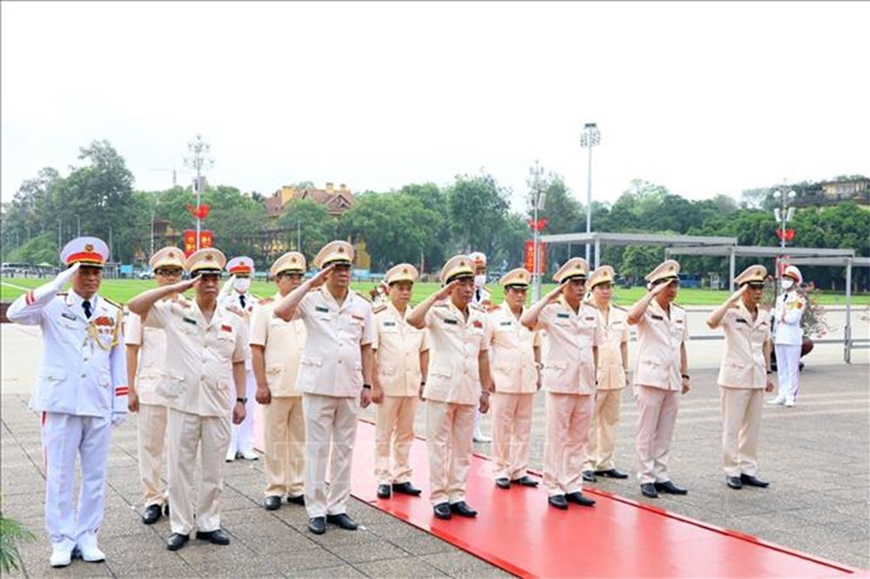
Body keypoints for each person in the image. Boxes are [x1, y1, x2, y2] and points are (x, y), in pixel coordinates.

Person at [7, 237, 127, 567]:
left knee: (94, 475)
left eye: (96, 272)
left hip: (98, 401)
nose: (91, 278)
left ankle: (88, 534)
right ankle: (61, 538)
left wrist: (120, 401)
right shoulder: (52, 304)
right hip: (60, 402)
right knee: (59, 475)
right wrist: (54, 284)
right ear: (71, 273)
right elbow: (17, 312)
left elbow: (118, 359)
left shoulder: (112, 312)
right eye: (83, 271)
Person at [127, 248, 248, 551]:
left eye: (214, 278)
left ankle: (209, 523)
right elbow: (135, 305)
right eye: (202, 277)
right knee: (179, 469)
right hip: (183, 401)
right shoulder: (174, 312)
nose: (209, 283)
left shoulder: (233, 319)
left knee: (214, 469)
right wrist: (174, 288)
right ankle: (180, 525)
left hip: (218, 402)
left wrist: (241, 399)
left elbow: (238, 361)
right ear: (192, 281)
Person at [272, 240, 374, 535]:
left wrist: (368, 383)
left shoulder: (362, 305)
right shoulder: (310, 298)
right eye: (336, 268)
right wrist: (310, 284)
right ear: (325, 272)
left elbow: (367, 347)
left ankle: (338, 506)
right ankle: (316, 509)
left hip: (350, 385)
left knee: (344, 449)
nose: (343, 272)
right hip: (317, 384)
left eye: (346, 267)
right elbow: (281, 311)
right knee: (317, 449)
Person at [407, 255, 493, 520]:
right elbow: (413, 319)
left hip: (468, 389)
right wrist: (437, 295)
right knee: (439, 446)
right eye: (462, 284)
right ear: (450, 287)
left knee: (462, 447)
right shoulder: (437, 312)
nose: (469, 289)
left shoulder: (480, 316)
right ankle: (439, 497)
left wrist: (486, 389)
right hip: (442, 388)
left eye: (471, 283)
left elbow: (483, 354)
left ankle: (457, 495)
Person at [521, 257, 599, 510]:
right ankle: (554, 486)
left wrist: (595, 377)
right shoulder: (551, 311)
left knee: (579, 438)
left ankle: (573, 485)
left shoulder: (591, 312)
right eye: (575, 283)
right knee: (557, 437)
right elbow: (526, 320)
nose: (580, 287)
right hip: (561, 382)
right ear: (564, 285)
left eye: (582, 283)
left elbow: (594, 346)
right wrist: (549, 296)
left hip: (585, 382)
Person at [125, 246, 185, 526]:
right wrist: (131, 388)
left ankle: (176, 498)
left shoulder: (190, 307)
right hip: (150, 386)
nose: (171, 278)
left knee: (179, 448)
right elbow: (132, 349)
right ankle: (152, 498)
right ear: (155, 276)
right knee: (150, 447)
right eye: (165, 273)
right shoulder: (143, 308)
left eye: (175, 272)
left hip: (180, 390)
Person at [627, 259, 691, 499]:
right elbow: (632, 318)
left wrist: (685, 374)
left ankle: (661, 475)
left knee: (665, 431)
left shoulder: (680, 313)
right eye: (668, 285)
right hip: (649, 378)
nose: (673, 290)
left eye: (675, 285)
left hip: (672, 379)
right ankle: (646, 477)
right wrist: (651, 293)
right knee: (646, 431)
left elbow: (681, 345)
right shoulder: (646, 309)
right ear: (655, 287)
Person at [707, 265, 774, 490]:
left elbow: (766, 343)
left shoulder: (764, 315)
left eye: (760, 288)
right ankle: (731, 470)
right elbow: (711, 321)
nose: (758, 292)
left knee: (752, 427)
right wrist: (732, 298)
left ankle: (748, 469)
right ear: (743, 290)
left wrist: (768, 374)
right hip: (734, 377)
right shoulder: (732, 313)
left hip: (756, 377)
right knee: (732, 426)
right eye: (753, 288)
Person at [250, 252, 308, 510]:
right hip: (276, 383)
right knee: (274, 439)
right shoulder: (264, 309)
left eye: (299, 276)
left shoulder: (309, 308)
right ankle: (274, 487)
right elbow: (256, 348)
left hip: (305, 383)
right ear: (278, 280)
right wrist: (261, 384)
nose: (295, 281)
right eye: (290, 276)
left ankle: (297, 486)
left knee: (300, 439)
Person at [371, 263, 429, 499]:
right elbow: (372, 352)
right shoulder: (379, 316)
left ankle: (402, 475)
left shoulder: (417, 317)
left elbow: (424, 351)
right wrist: (373, 384)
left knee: (406, 432)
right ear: (389, 289)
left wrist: (425, 381)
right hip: (388, 383)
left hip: (411, 383)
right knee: (384, 433)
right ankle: (384, 477)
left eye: (408, 288)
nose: (405, 292)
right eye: (400, 288)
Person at [485, 267, 541, 490]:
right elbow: (485, 348)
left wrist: (539, 370)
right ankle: (500, 469)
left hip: (526, 378)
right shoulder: (495, 317)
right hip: (503, 380)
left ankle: (519, 469)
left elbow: (536, 346)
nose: (520, 295)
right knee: (501, 427)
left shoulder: (531, 317)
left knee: (523, 427)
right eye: (516, 291)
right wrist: (487, 376)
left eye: (523, 291)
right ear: (507, 292)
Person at [581, 265, 631, 483]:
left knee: (611, 420)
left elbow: (624, 345)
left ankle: (605, 462)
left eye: (609, 286)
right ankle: (587, 463)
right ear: (591, 289)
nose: (606, 291)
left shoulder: (620, 313)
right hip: (594, 374)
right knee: (590, 421)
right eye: (601, 287)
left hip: (615, 374)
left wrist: (625, 369)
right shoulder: (584, 312)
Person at [219, 255, 260, 461]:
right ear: (232, 278)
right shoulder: (224, 301)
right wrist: (223, 293)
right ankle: (229, 445)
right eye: (238, 276)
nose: (243, 280)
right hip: (230, 360)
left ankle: (246, 444)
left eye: (246, 276)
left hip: (251, 361)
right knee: (229, 404)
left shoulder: (257, 302)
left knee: (249, 405)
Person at [769, 265, 806, 408]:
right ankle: (782, 394)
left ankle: (791, 396)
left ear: (795, 281)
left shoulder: (799, 299)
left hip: (792, 338)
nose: (786, 281)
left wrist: (776, 314)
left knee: (792, 369)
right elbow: (780, 318)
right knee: (782, 369)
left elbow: (792, 318)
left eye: (789, 278)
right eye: (784, 278)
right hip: (780, 337)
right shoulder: (780, 298)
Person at [468, 251, 493, 443]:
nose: (480, 275)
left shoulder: (487, 295)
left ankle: (476, 428)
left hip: (482, 343)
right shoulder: (458, 291)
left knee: (481, 388)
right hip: (465, 346)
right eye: (477, 270)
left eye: (483, 270)